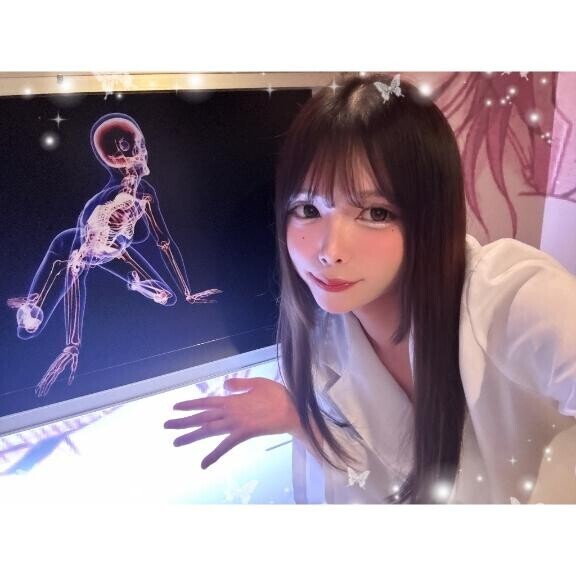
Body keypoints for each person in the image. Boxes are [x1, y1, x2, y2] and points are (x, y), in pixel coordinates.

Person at [164, 74, 576, 504]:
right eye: (308, 209)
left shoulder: (511, 297)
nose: (330, 251)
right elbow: (386, 489)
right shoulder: (320, 345)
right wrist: (297, 420)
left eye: (376, 213)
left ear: (429, 216)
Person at [8, 113, 221, 397]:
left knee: (166, 297)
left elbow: (164, 241)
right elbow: (77, 266)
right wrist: (72, 344)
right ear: (117, 154)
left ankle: (131, 284)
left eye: (142, 143)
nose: (143, 152)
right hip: (71, 248)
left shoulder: (145, 194)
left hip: (117, 252)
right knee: (29, 328)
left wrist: (187, 292)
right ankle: (29, 303)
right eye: (133, 146)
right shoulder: (104, 201)